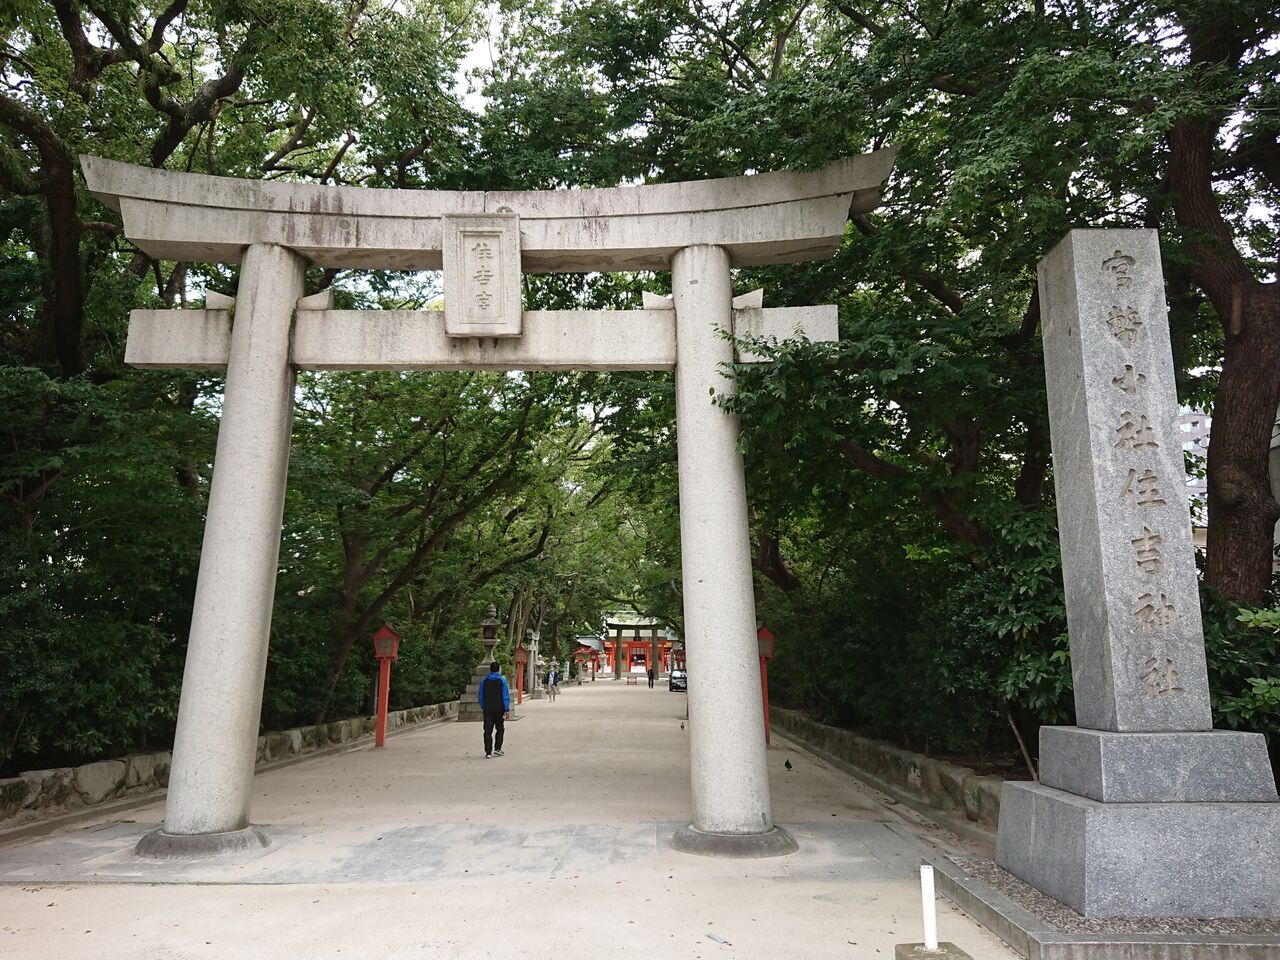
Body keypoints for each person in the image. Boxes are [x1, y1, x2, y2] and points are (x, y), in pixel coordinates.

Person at [478, 661, 509, 758]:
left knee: (487, 730)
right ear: (498, 669)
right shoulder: (502, 680)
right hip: (499, 709)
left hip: (488, 709)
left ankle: (488, 752)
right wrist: (506, 709)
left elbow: (480, 696)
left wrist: (483, 706)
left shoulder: (484, 681)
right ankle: (497, 748)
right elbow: (505, 696)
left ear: (490, 670)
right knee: (500, 728)